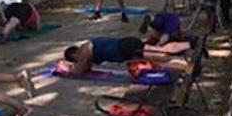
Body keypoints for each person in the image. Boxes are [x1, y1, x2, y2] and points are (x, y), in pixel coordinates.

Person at [59, 36, 190, 75]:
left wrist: (66, 68)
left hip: (125, 48)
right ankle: (187, 66)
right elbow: (87, 69)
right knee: (159, 62)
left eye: (73, 59)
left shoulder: (83, 50)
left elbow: (80, 71)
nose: (76, 60)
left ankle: (190, 45)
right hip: (125, 46)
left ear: (74, 54)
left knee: (160, 54)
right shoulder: (88, 48)